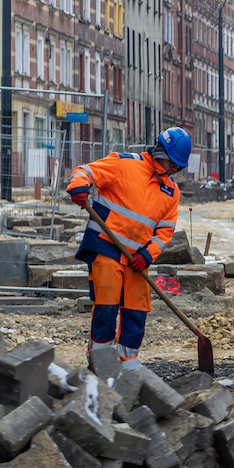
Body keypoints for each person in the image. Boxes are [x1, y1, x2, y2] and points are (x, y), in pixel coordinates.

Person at [66, 128, 190, 369]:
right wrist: (79, 187)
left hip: (137, 258)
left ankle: (128, 362)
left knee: (138, 308)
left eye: (178, 167)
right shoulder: (124, 164)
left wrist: (147, 255)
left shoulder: (171, 191)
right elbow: (86, 171)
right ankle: (100, 362)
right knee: (107, 305)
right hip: (105, 245)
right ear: (159, 152)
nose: (175, 169)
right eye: (172, 163)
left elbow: (165, 231)